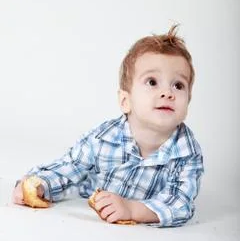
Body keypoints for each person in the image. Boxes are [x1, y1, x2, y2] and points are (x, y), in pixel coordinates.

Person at [13, 25, 204, 227]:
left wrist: (132, 210)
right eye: (152, 82)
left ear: (188, 102)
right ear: (125, 101)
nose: (167, 93)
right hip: (93, 192)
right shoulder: (104, 138)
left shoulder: (187, 153)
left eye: (178, 85)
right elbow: (70, 166)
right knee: (69, 182)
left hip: (141, 211)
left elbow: (180, 203)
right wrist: (38, 184)